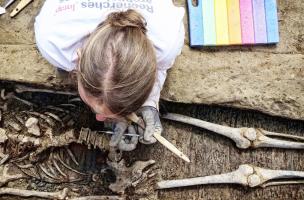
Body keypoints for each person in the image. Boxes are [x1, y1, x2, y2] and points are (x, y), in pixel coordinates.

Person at [34, 0, 185, 151]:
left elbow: (157, 68)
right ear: (79, 58)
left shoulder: (166, 43)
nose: (99, 118)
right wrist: (120, 110)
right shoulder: (52, 41)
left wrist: (149, 102)